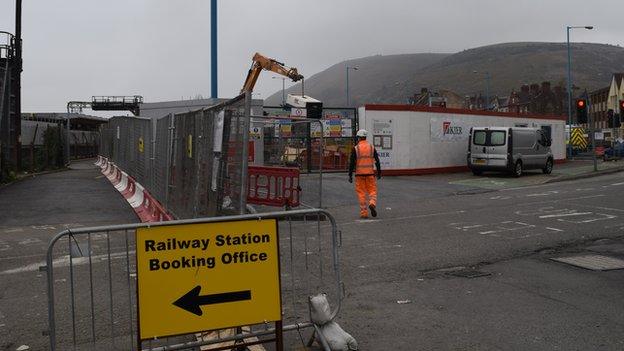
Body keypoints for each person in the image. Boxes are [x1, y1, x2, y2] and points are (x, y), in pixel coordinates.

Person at [348, 129, 381, 218]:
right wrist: (379, 172)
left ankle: (364, 213)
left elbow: (351, 163)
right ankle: (372, 203)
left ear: (358, 138)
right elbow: (377, 161)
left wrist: (350, 175)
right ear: (365, 137)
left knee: (361, 193)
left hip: (359, 175)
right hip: (370, 174)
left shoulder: (356, 148)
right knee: (372, 191)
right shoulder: (371, 147)